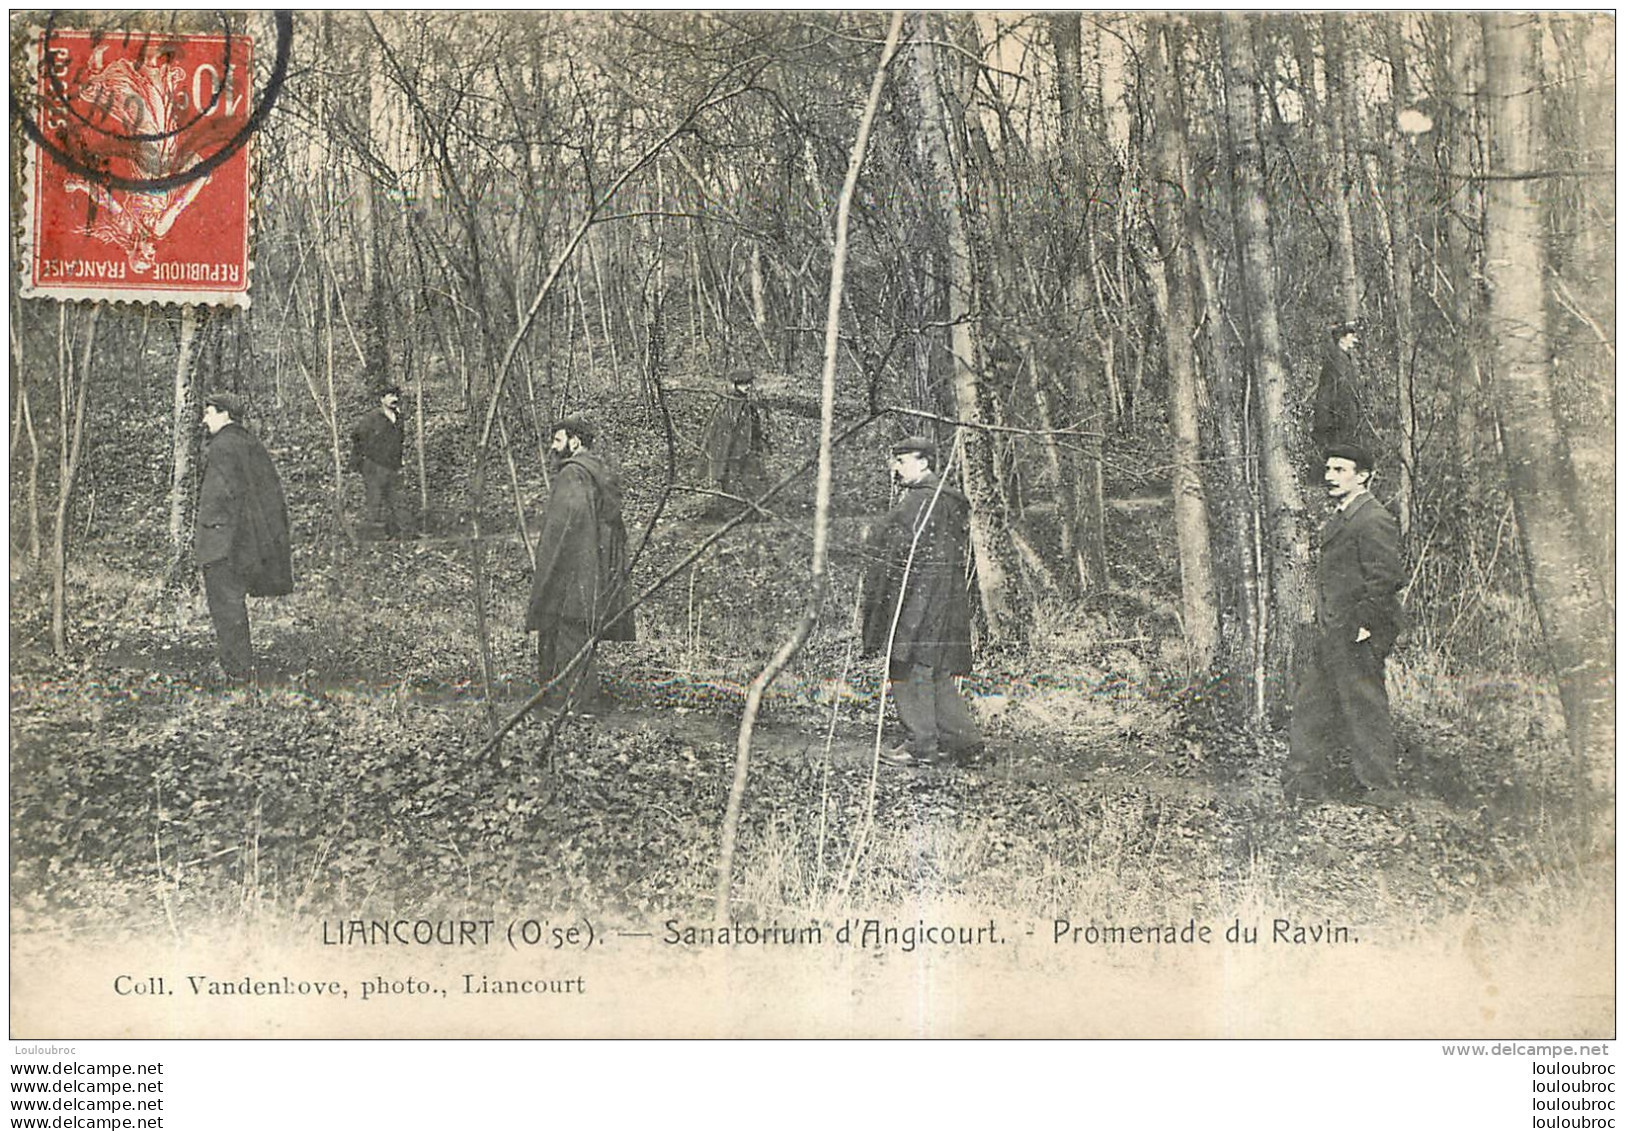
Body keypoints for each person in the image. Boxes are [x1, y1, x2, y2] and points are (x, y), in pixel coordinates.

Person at [1286, 442, 1405, 805]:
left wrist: (1364, 626)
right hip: (1335, 631)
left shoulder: (1374, 518)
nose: (1330, 477)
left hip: (1357, 633)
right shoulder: (1342, 517)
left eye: (1340, 470)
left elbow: (1385, 578)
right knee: (1311, 705)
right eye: (1328, 469)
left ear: (1363, 476)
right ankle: (1302, 786)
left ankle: (1381, 791)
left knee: (1364, 709)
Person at [860, 435, 985, 767]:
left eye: (902, 461)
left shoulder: (919, 502)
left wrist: (871, 538)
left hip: (918, 600)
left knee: (906, 665)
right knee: (935, 671)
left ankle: (920, 746)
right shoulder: (947, 500)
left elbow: (890, 544)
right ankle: (964, 742)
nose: (895, 469)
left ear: (924, 462)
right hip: (945, 601)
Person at [525, 418, 635, 709]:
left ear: (575, 442)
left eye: (558, 440)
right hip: (593, 573)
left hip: (571, 575)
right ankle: (574, 705)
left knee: (566, 636)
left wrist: (548, 569)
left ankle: (570, 709)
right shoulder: (597, 471)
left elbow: (564, 529)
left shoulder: (573, 474)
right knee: (577, 638)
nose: (553, 446)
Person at [196, 392, 293, 684]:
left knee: (226, 607)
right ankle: (238, 667)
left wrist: (211, 533)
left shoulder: (221, 447)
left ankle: (236, 672)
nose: (204, 419)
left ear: (224, 414)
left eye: (209, 412)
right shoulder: (249, 443)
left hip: (224, 542)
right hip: (248, 541)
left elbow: (219, 498)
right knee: (233, 605)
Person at [699, 368, 770, 519]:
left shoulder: (747, 405)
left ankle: (757, 511)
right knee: (730, 482)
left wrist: (759, 444)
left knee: (755, 481)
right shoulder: (728, 405)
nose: (748, 387)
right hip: (732, 452)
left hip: (746, 450)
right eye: (743, 384)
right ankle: (730, 514)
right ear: (735, 385)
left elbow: (753, 429)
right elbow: (720, 433)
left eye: (749, 383)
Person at [349, 383, 414, 539]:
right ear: (381, 399)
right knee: (374, 501)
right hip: (374, 466)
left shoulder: (398, 418)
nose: (394, 399)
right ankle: (371, 539)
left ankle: (406, 535)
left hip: (392, 466)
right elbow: (356, 436)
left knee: (398, 500)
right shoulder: (372, 418)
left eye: (396, 395)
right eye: (390, 395)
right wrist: (362, 461)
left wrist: (399, 462)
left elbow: (399, 442)